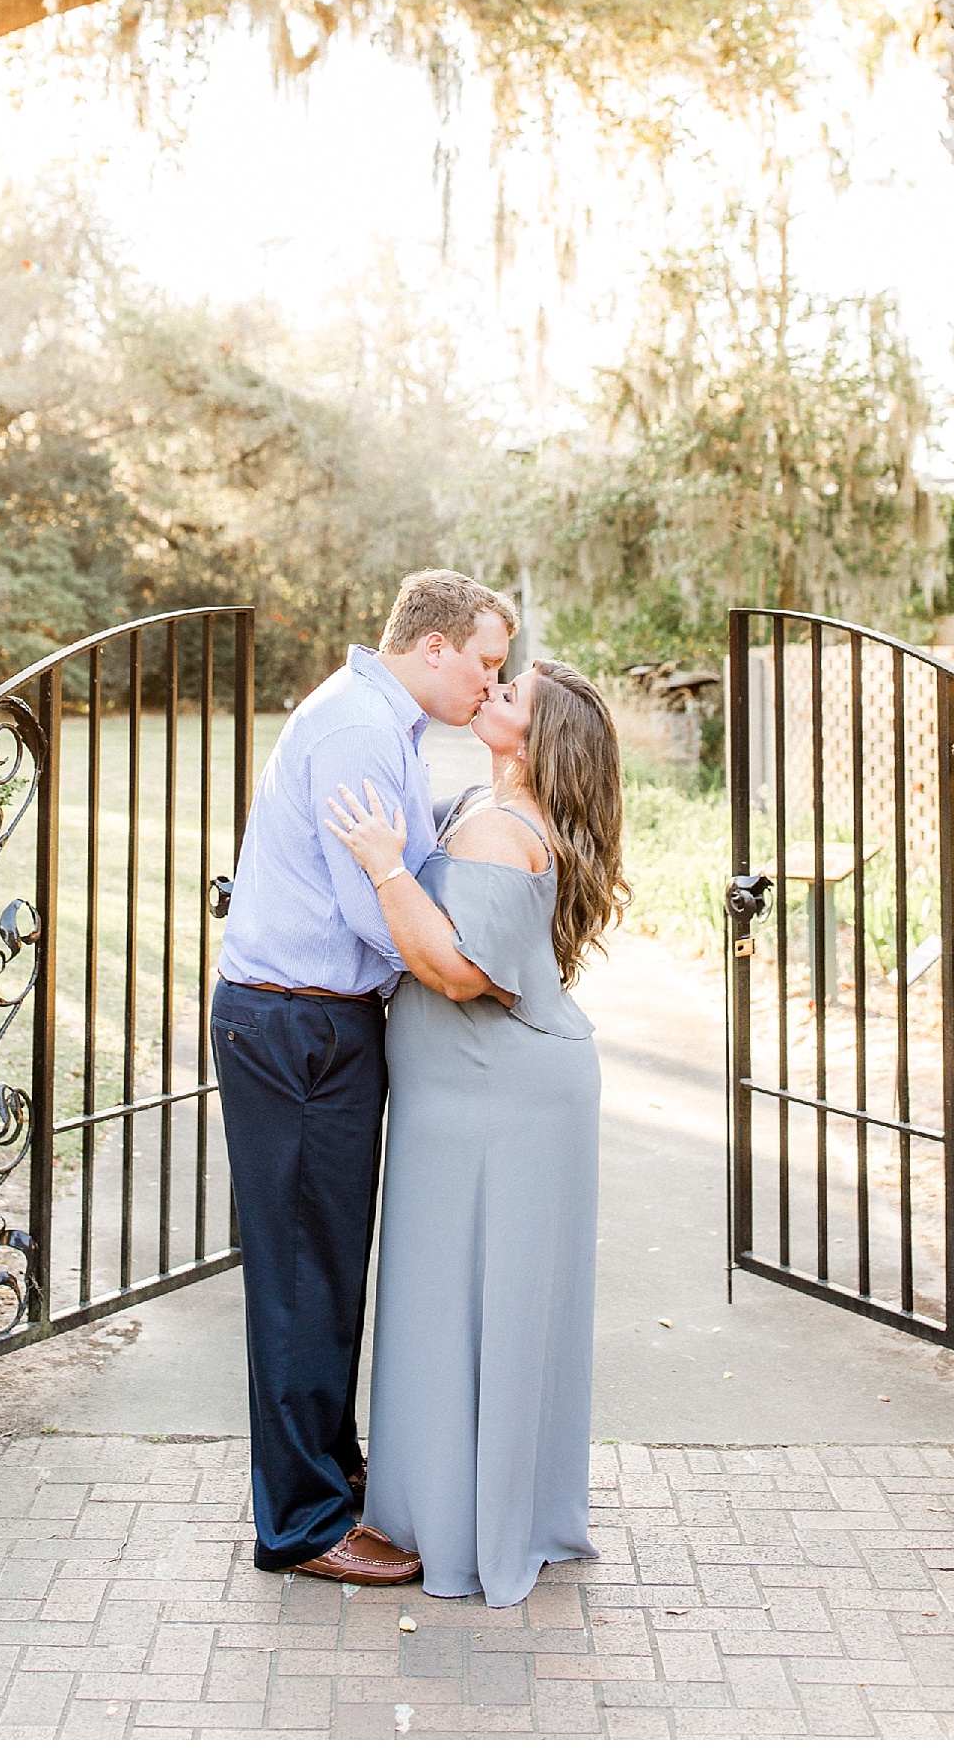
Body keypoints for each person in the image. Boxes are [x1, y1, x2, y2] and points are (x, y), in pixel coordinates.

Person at [210, 569, 518, 1585]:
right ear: (433, 646)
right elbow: (376, 906)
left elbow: (414, 868)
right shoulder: (353, 728)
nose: (491, 681)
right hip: (297, 1025)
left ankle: (329, 1478)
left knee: (327, 1267)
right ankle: (301, 1523)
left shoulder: (390, 729)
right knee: (303, 1278)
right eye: (485, 661)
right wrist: (478, 975)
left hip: (324, 1024)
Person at [327, 657, 627, 1607]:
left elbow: (460, 971)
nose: (492, 694)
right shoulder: (480, 804)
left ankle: (465, 1527)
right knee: (445, 1297)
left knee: (470, 1299)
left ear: (540, 741)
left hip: (499, 1102)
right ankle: (465, 1503)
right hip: (463, 1095)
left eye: (513, 696)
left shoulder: (503, 829)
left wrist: (381, 865)